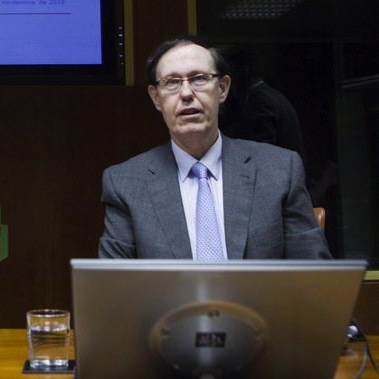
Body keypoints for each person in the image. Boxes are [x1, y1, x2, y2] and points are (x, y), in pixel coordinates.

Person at [98, 35, 331, 260]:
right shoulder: (126, 184)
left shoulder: (279, 170)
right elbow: (112, 287)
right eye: (172, 82)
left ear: (222, 88)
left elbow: (316, 277)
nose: (187, 93)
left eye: (198, 78)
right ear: (156, 98)